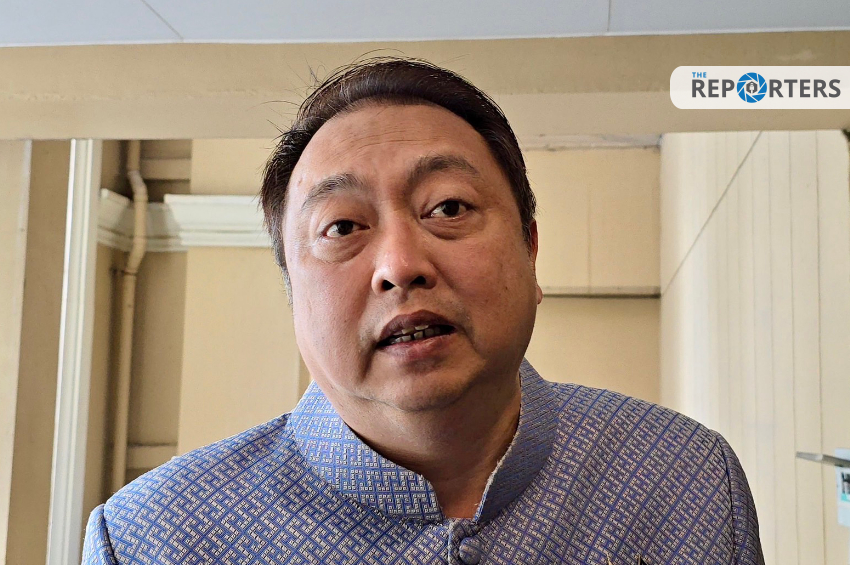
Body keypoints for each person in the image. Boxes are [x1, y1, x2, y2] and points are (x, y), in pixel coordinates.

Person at [82, 58, 764, 565]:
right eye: (342, 227)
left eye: (448, 207)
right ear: (292, 291)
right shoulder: (154, 540)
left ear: (530, 249)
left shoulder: (685, 475)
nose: (400, 264)